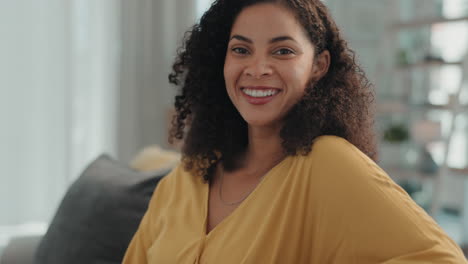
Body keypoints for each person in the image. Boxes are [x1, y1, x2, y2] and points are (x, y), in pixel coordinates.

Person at [123, 0, 467, 263]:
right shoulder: (184, 178)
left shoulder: (327, 165)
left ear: (318, 66)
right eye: (241, 50)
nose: (257, 69)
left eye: (282, 51)